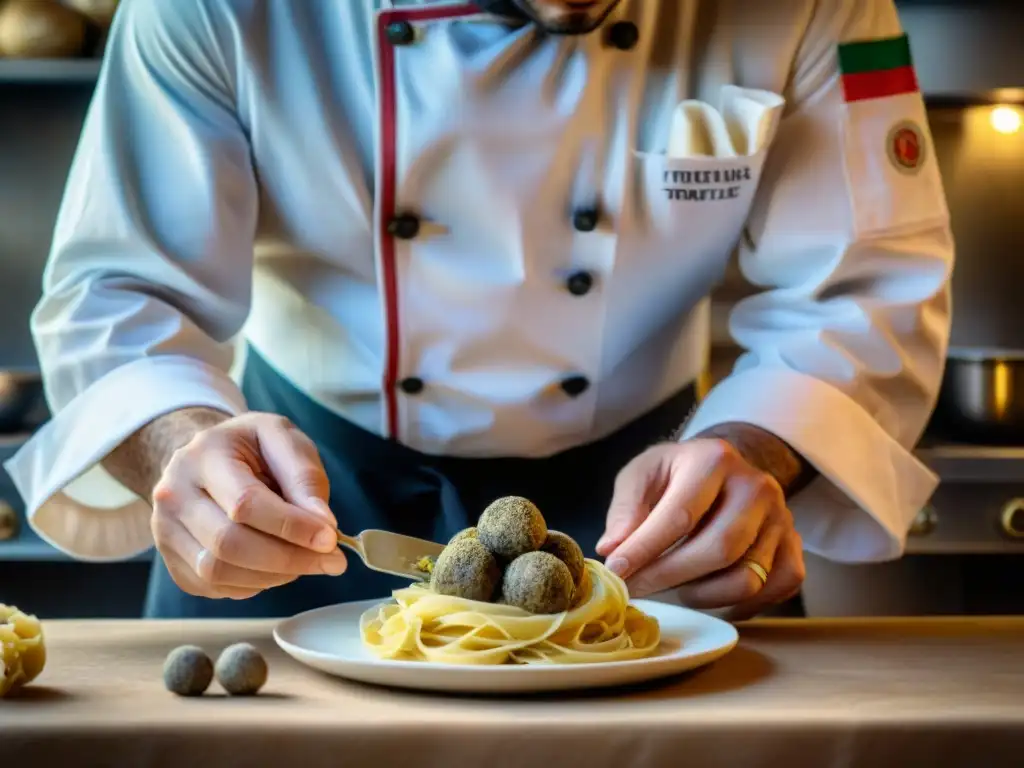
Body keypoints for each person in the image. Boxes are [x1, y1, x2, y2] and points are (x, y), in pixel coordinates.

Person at [5, 0, 953, 621]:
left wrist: (754, 455)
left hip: (657, 525)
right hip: (303, 515)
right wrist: (184, 450)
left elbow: (865, 287)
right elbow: (118, 295)